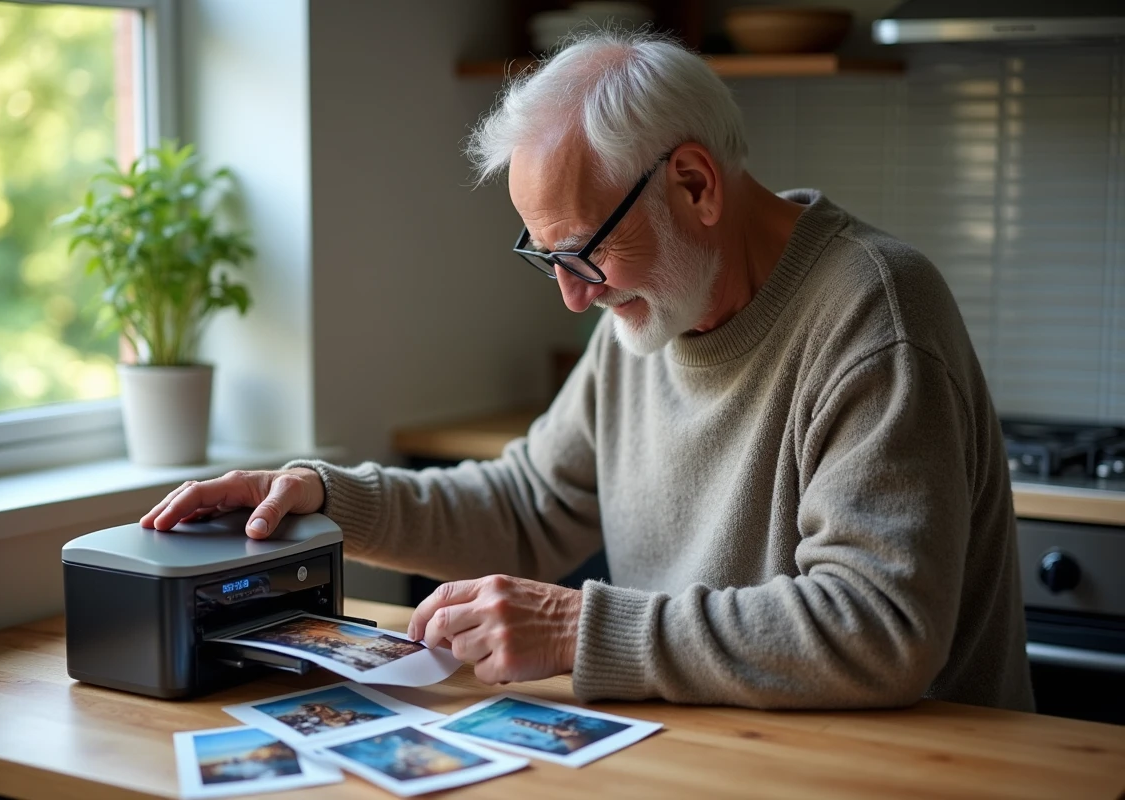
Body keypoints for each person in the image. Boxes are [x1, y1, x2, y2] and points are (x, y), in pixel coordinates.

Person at [142, 31, 1034, 712]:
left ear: (694, 185)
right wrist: (319, 497)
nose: (573, 298)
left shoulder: (875, 311)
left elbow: (881, 629)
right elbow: (531, 507)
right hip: (724, 750)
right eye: (548, 259)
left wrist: (578, 628)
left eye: (584, 253)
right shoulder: (649, 307)